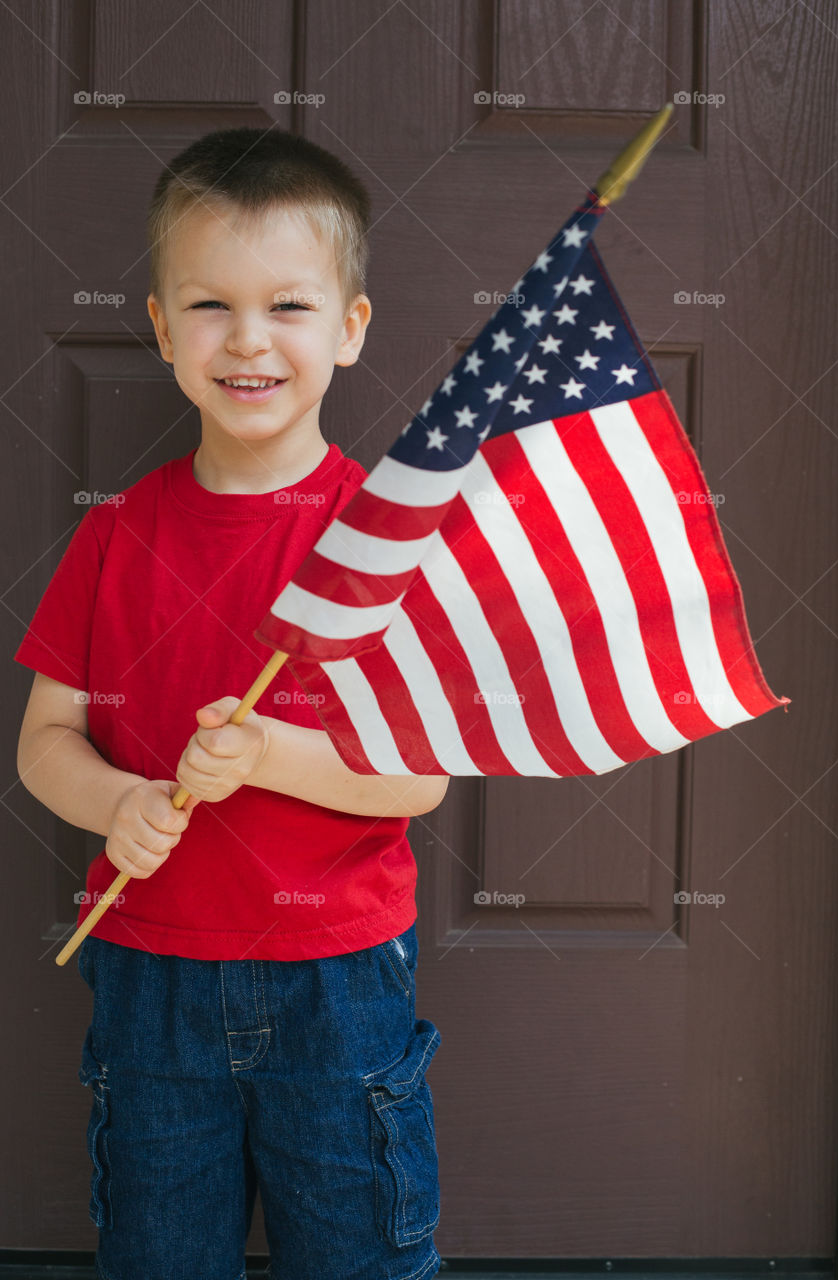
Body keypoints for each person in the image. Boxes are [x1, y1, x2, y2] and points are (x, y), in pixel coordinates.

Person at [15, 126, 447, 1280]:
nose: (248, 339)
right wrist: (113, 800)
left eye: (289, 307)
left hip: (340, 977)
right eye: (209, 304)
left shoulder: (384, 543)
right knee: (159, 1253)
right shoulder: (115, 535)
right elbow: (46, 739)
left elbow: (418, 772)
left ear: (349, 329)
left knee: (357, 1252)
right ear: (160, 327)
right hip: (150, 971)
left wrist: (263, 751)